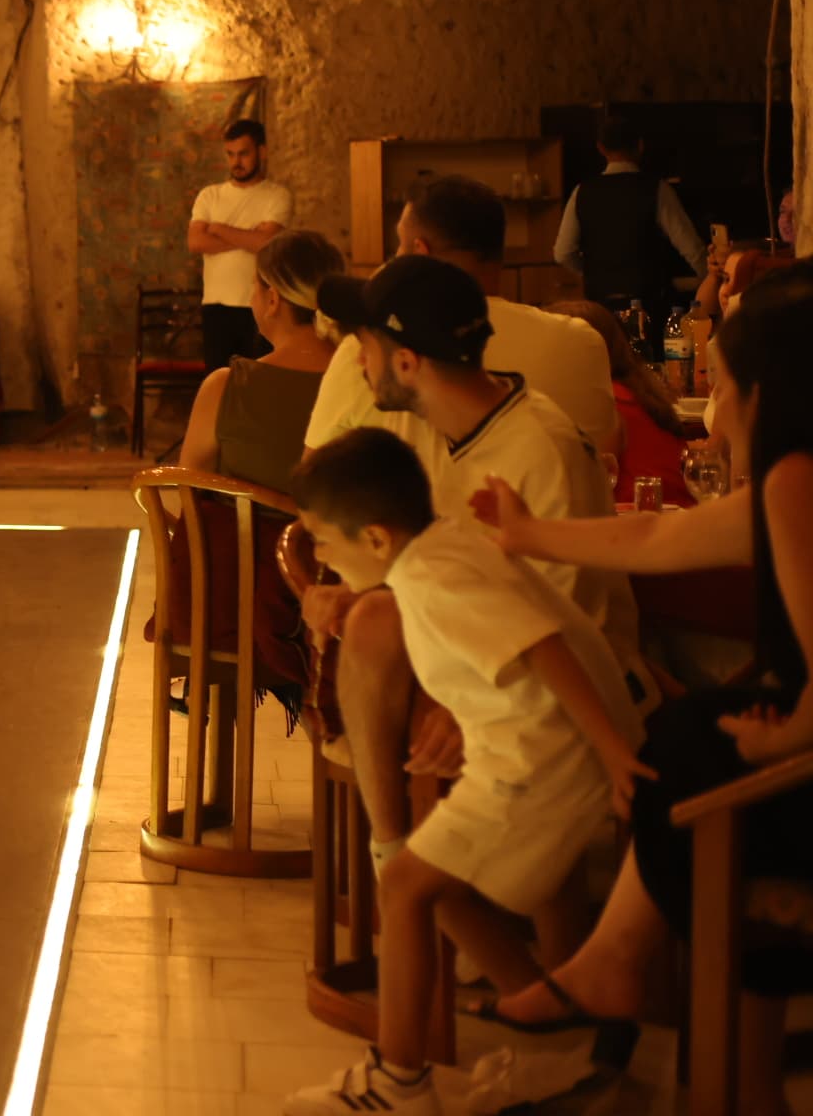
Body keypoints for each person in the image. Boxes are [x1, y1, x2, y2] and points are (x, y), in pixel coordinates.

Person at [471, 266, 813, 1116]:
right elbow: (662, 532)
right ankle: (635, 983)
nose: (716, 411)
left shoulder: (795, 480)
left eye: (725, 388)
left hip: (797, 770)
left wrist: (791, 733)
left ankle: (618, 968)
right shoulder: (790, 482)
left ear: (772, 393)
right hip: (787, 749)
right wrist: (527, 533)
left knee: (681, 749)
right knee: (683, 735)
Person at [282, 429, 647, 1116]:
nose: (322, 558)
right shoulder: (442, 545)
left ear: (379, 539)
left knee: (406, 885)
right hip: (539, 751)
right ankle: (558, 1030)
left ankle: (398, 1081)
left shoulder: (433, 578)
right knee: (422, 878)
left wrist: (614, 752)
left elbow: (541, 646)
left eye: (325, 541)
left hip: (542, 763)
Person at [302, 256, 649, 885]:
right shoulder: (423, 425)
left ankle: (428, 889)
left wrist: (458, 705)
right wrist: (356, 594)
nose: (356, 360)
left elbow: (555, 623)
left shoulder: (537, 446)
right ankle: (402, 864)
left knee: (380, 626)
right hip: (479, 650)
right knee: (373, 617)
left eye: (365, 344)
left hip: (564, 678)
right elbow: (431, 569)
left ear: (406, 361)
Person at [306, 174, 618, 455]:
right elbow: (607, 461)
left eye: (399, 249)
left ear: (420, 253)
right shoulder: (584, 341)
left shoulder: (379, 345)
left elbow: (313, 484)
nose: (394, 260)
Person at [175, 227, 345, 495]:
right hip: (337, 537)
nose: (251, 297)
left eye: (253, 286)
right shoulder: (366, 382)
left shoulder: (225, 387)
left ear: (273, 299)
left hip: (246, 537)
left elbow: (190, 494)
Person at [553, 111, 705, 323]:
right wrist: (707, 280)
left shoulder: (582, 191)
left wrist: (592, 273)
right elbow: (691, 246)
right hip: (650, 300)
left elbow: (562, 253)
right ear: (640, 146)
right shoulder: (656, 189)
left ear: (601, 148)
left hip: (600, 302)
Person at [548, 299, 692, 507]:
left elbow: (587, 480)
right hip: (674, 517)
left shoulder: (603, 401)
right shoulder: (638, 391)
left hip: (639, 520)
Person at [186, 118, 292, 374]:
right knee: (219, 387)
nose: (236, 162)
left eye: (243, 153)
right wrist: (248, 237)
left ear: (262, 152)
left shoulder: (277, 195)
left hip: (260, 309)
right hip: (216, 308)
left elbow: (266, 243)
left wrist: (219, 229)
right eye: (231, 154)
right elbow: (196, 241)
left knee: (258, 387)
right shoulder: (209, 195)